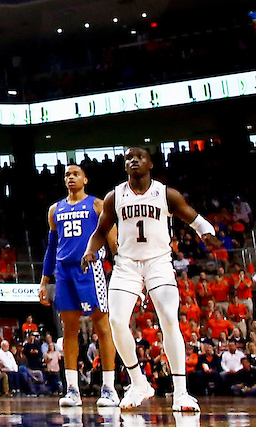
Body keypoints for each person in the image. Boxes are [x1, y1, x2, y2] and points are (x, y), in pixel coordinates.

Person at [82, 146, 221, 412]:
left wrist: (207, 233)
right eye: (129, 158)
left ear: (150, 164)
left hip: (159, 262)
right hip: (127, 264)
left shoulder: (166, 193)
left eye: (140, 157)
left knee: (169, 318)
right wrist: (90, 251)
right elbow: (101, 230)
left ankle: (181, 392)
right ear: (125, 167)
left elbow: (195, 218)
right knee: (116, 321)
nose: (134, 161)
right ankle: (138, 383)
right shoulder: (114, 196)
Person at [39, 164, 120, 407]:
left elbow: (112, 239)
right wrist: (44, 281)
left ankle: (109, 387)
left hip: (90, 268)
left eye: (75, 174)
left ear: (85, 179)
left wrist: (120, 267)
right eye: (67, 175)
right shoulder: (54, 210)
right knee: (69, 329)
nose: (70, 177)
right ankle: (72, 389)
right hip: (63, 272)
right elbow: (51, 248)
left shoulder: (97, 204)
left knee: (102, 326)